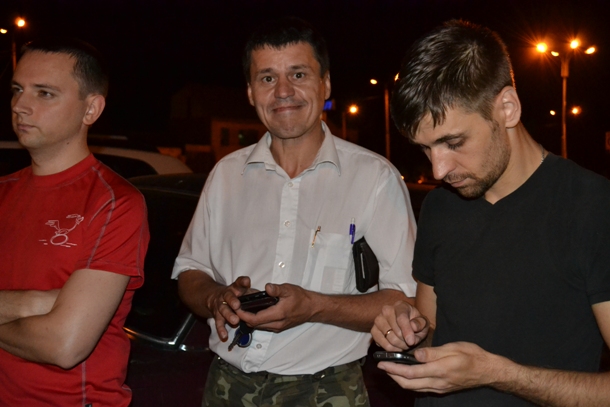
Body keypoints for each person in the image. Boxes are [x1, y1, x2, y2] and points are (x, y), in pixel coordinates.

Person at [173, 17, 421, 407]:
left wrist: (315, 306)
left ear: (325, 85)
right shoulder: (225, 175)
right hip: (225, 386)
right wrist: (215, 297)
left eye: (298, 74)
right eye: (267, 78)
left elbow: (405, 298)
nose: (283, 91)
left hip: (326, 389)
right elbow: (190, 269)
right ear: (250, 92)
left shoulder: (374, 177)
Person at [372, 19, 610, 406]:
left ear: (507, 108)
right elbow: (430, 331)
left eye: (453, 142)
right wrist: (406, 329)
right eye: (426, 148)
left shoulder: (592, 206)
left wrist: (497, 374)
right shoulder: (439, 206)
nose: (438, 170)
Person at [0, 38, 149, 406]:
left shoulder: (114, 203)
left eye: (44, 93)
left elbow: (64, 344)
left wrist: (53, 315)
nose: (20, 105)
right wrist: (35, 303)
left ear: (91, 109)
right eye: (17, 89)